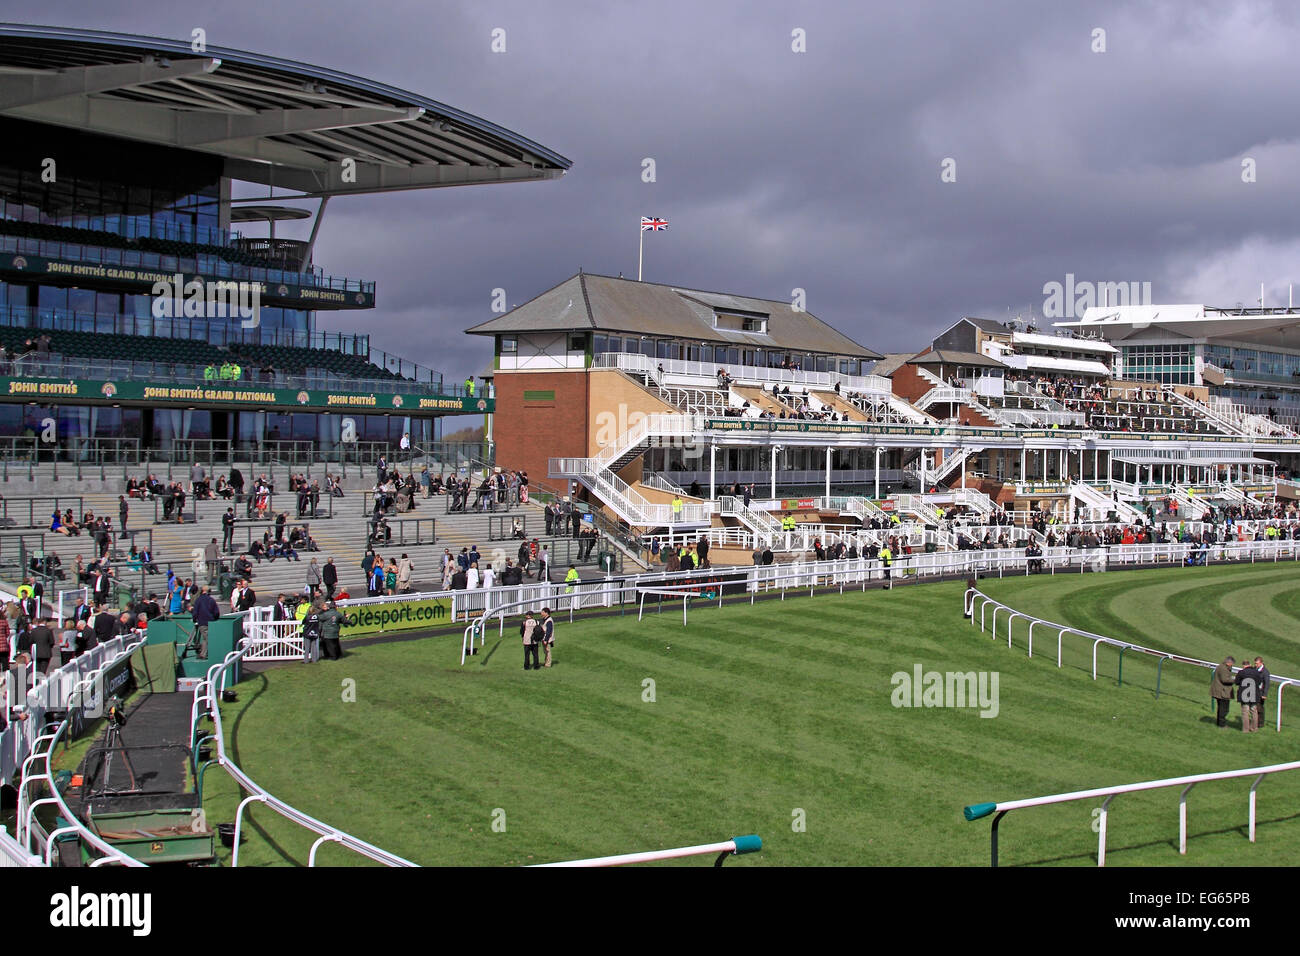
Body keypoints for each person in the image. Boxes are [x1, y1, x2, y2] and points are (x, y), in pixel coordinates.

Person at [191, 586, 220, 659]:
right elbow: (216, 613)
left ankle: (203, 654)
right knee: (206, 638)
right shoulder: (211, 600)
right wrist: (214, 619)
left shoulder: (198, 600)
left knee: (206, 638)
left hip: (202, 622)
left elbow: (195, 612)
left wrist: (195, 619)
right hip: (211, 622)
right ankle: (204, 653)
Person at [1236, 657, 1262, 733]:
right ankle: (1254, 728)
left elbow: (1237, 682)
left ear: (1243, 666)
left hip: (1244, 695)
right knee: (1254, 711)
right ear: (1250, 665)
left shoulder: (1241, 672)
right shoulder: (1256, 672)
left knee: (1245, 712)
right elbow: (1259, 682)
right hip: (1254, 695)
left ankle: (1245, 729)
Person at [1211, 656, 1236, 728]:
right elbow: (1225, 680)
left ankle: (1219, 723)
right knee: (1224, 709)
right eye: (1232, 664)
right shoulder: (1223, 669)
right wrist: (1235, 679)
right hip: (1222, 692)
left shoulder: (1221, 667)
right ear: (1228, 663)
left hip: (1219, 691)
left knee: (1221, 708)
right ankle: (1222, 724)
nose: (1232, 665)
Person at [1256, 656, 1272, 729]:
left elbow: (1267, 684)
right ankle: (1256, 722)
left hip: (1261, 693)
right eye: (1255, 663)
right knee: (1255, 707)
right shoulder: (1255, 669)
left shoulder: (1265, 672)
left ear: (1261, 663)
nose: (1256, 665)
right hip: (1255, 691)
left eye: (1257, 664)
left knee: (1260, 708)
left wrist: (1264, 694)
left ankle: (1260, 723)